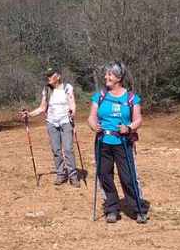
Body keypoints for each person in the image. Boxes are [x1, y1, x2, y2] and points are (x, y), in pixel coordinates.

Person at [87, 62, 149, 224]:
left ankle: (138, 209)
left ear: (119, 78)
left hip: (123, 142)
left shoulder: (131, 98)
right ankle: (112, 209)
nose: (106, 77)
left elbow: (138, 120)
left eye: (110, 75)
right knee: (104, 175)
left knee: (128, 177)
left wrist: (128, 128)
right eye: (106, 74)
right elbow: (91, 117)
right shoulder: (100, 96)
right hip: (103, 141)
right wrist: (94, 125)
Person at [20, 67, 80, 187]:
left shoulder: (67, 88)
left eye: (50, 75)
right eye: (47, 76)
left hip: (65, 121)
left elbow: (72, 104)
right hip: (52, 122)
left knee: (68, 149)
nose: (48, 78)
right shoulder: (47, 90)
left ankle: (73, 176)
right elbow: (42, 107)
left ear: (58, 76)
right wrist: (29, 114)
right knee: (56, 150)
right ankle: (60, 174)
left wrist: (72, 113)